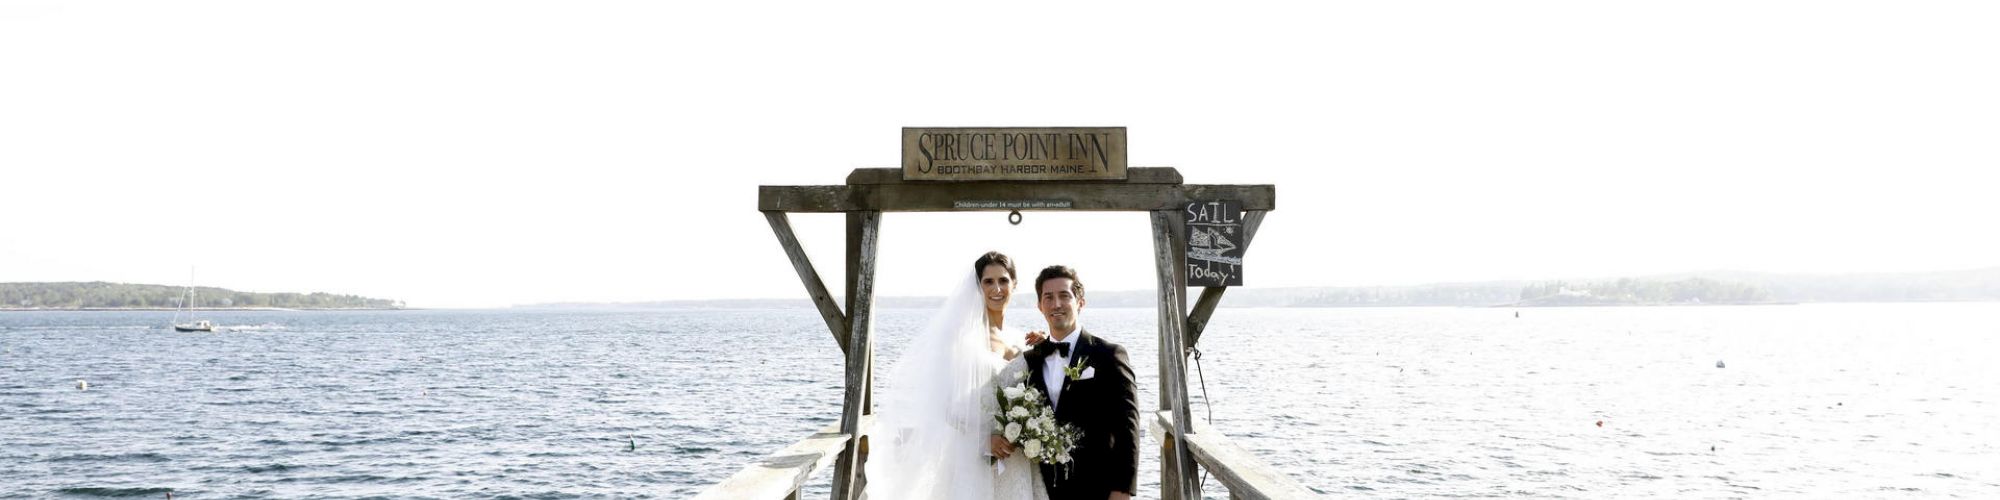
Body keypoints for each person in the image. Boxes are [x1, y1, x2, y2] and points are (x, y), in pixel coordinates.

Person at [865, 251, 1047, 500]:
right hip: (975, 455)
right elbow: (944, 403)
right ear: (978, 286)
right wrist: (985, 439)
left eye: (1003, 280)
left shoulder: (1021, 340)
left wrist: (1045, 348)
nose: (997, 288)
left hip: (1016, 458)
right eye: (988, 281)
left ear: (1014, 284)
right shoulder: (961, 341)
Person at [1018, 265, 1139, 500]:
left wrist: (1122, 491)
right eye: (1048, 297)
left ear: (1080, 302)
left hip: (1096, 488)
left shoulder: (1109, 355)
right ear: (1040, 306)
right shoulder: (1030, 360)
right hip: (1042, 489)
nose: (1056, 304)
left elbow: (1128, 428)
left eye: (1065, 296)